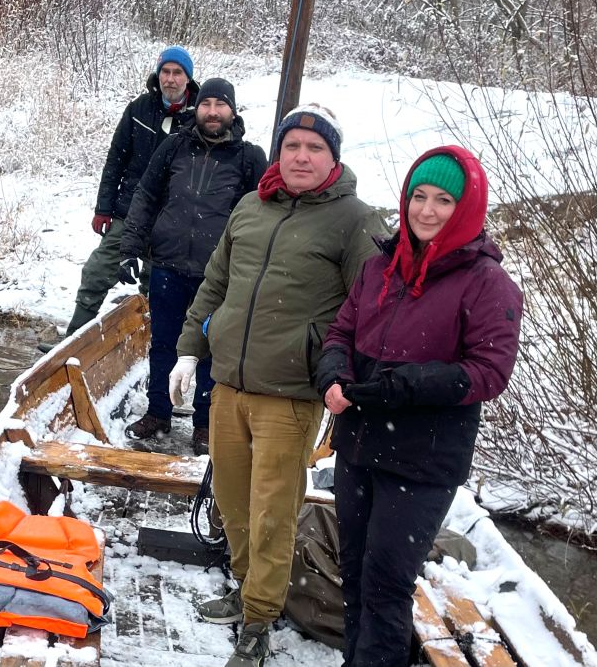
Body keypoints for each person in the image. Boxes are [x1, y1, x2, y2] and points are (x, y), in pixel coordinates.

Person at [170, 104, 386, 666]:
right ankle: (246, 591)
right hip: (229, 387)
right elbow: (215, 285)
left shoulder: (354, 220)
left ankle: (260, 619)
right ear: (279, 151)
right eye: (292, 146)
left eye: (315, 148)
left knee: (273, 511)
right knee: (232, 501)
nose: (301, 156)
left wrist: (349, 382)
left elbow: (373, 309)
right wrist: (189, 352)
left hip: (291, 395)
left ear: (333, 158)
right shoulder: (251, 206)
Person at [315, 146, 522, 667]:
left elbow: (488, 372)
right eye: (419, 197)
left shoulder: (487, 283)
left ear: (468, 208)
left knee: (388, 582)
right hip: (360, 443)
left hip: (423, 460)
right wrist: (333, 375)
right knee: (356, 570)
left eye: (444, 200)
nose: (427, 210)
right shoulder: (379, 267)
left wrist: (405, 386)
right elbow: (340, 332)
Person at [118, 78, 267, 456]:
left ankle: (204, 423)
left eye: (220, 105)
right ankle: (158, 412)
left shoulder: (249, 158)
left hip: (218, 275)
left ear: (232, 111)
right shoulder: (174, 147)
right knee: (164, 342)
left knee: (212, 349)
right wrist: (131, 247)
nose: (212, 112)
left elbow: (264, 214)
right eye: (206, 105)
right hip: (167, 265)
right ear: (196, 109)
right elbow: (147, 195)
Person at [38, 46, 199, 353]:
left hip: (170, 219)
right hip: (130, 212)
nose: (170, 79)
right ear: (158, 74)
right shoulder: (139, 109)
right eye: (165, 71)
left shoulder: (197, 120)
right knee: (97, 272)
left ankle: (147, 352)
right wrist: (104, 208)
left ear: (187, 79)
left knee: (157, 289)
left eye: (177, 73)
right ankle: (72, 345)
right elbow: (116, 160)